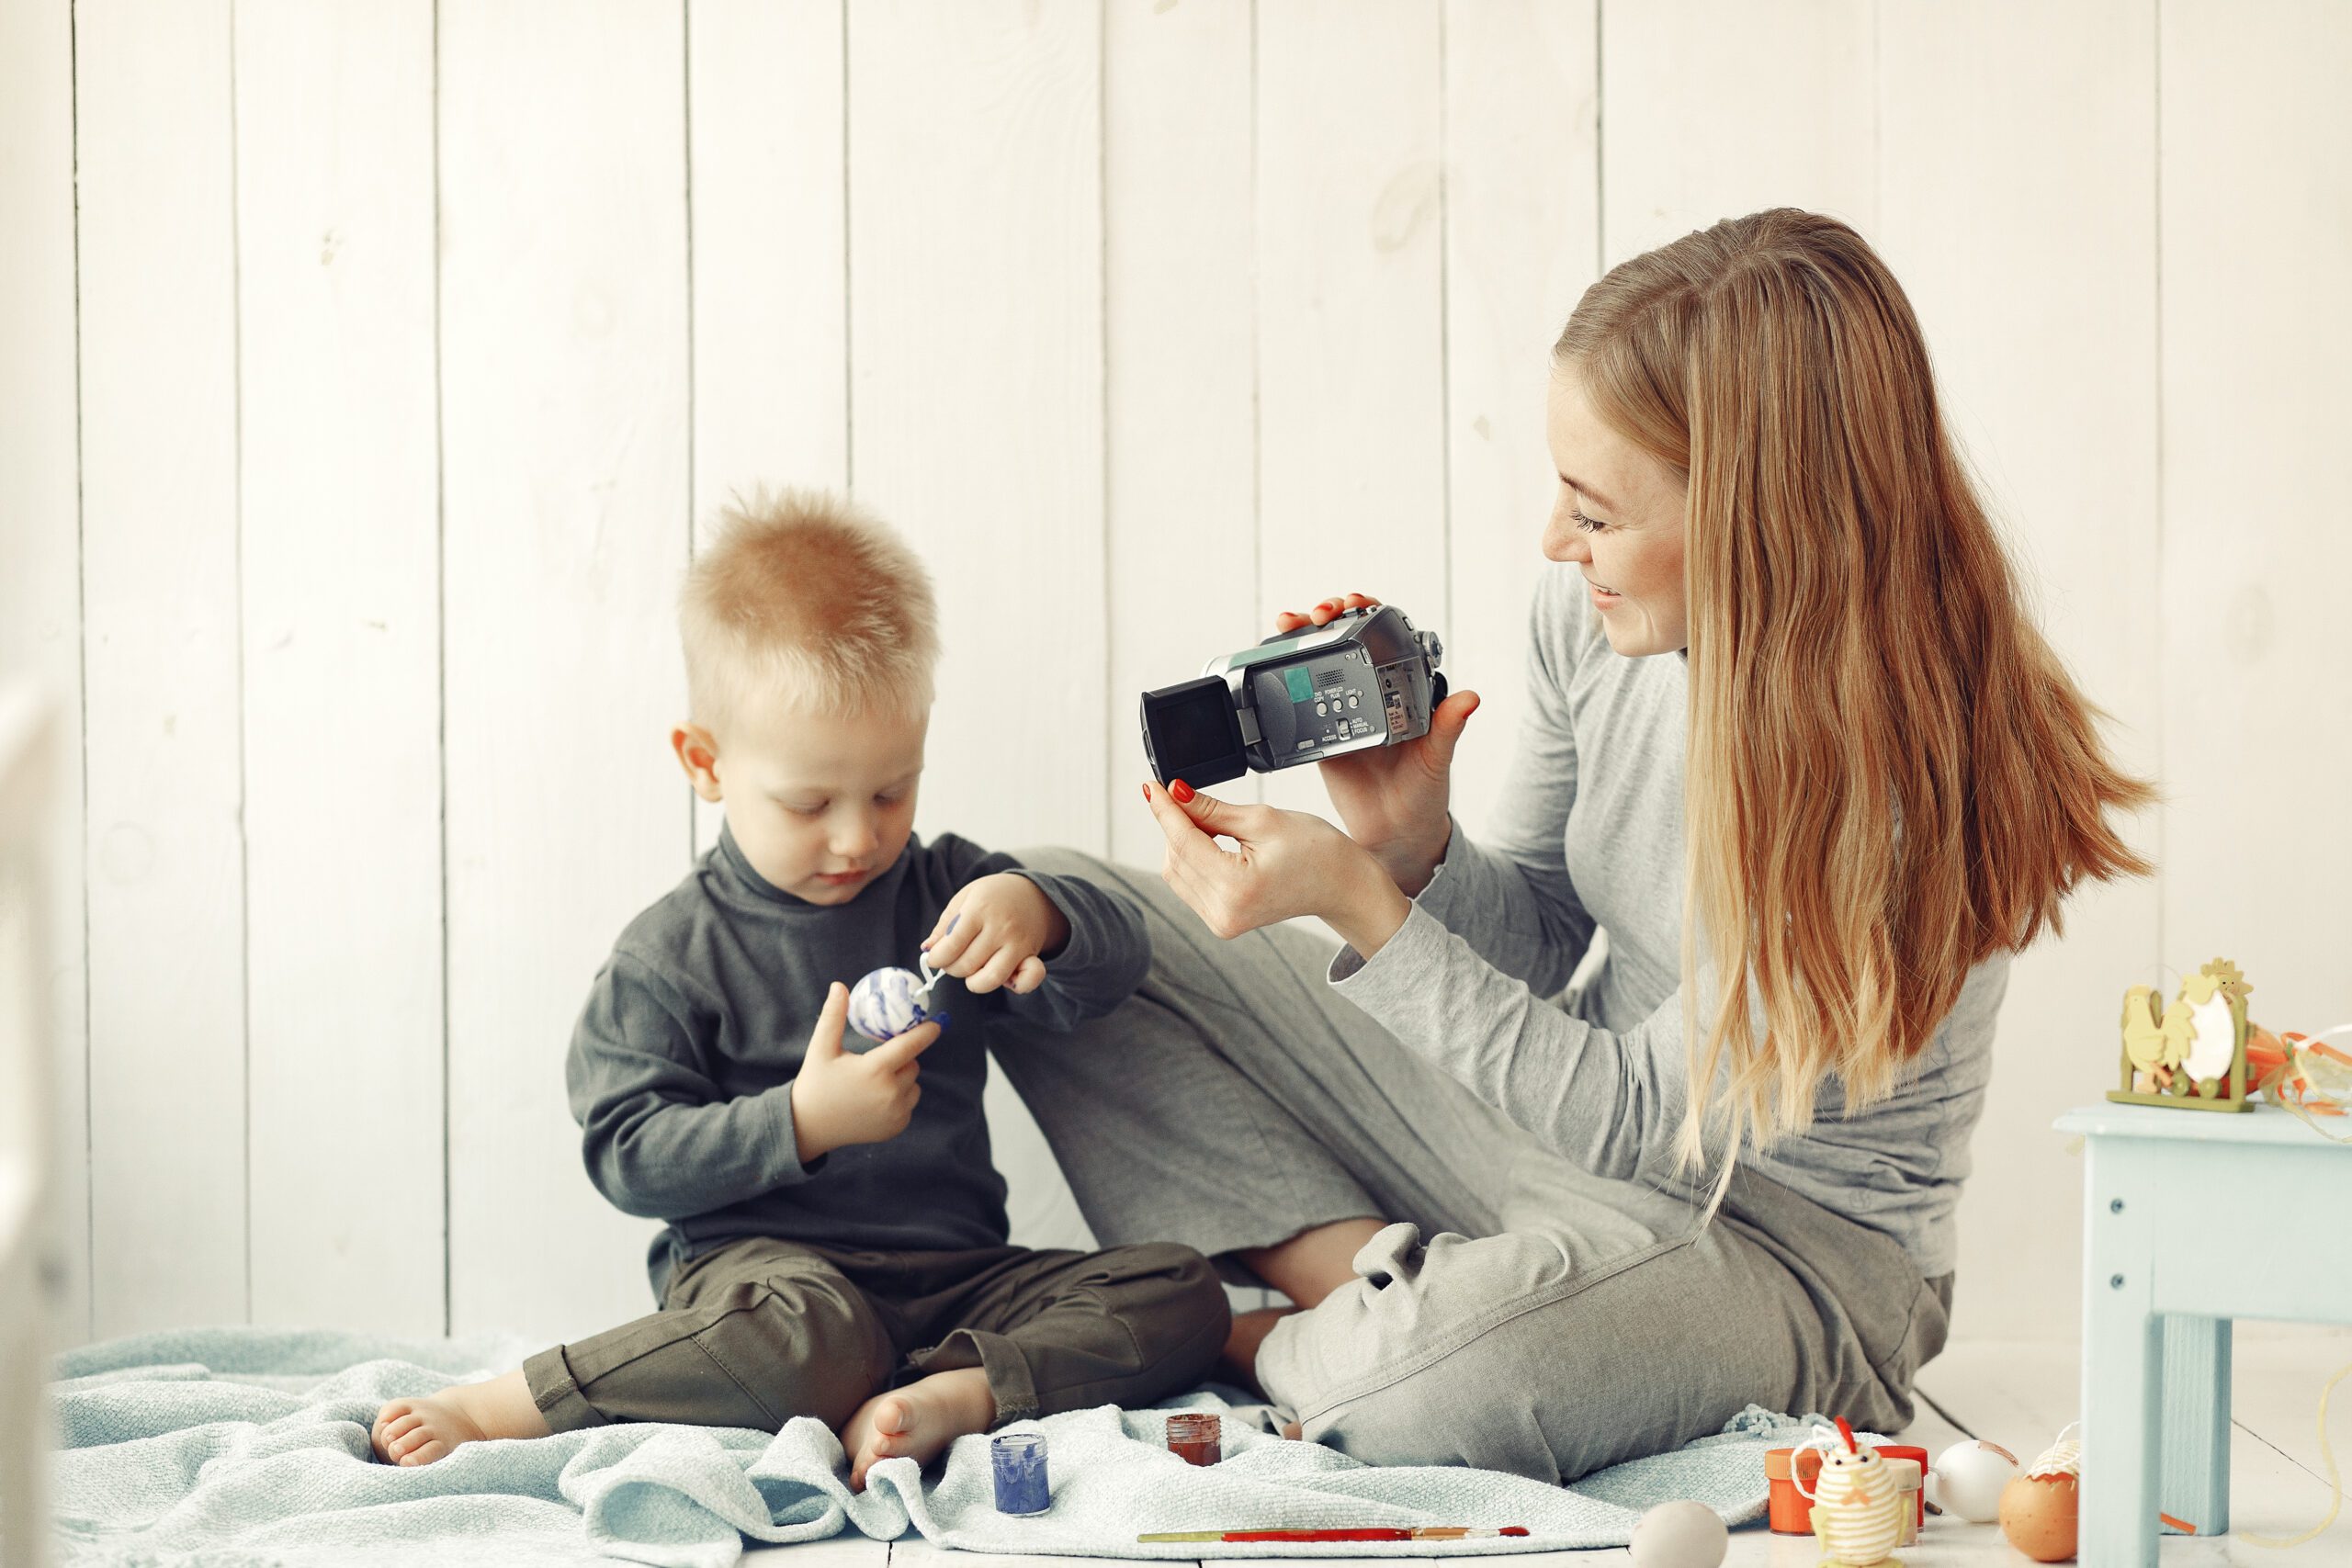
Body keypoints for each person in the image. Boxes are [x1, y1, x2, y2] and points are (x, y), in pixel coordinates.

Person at [989, 209, 2154, 1483]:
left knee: (1412, 1394)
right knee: (1072, 924)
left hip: (1776, 1248)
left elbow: (1643, 1120)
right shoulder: (1597, 622)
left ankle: (1317, 1327)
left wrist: (1355, 900)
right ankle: (1362, 1279)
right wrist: (1409, 846)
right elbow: (1544, 941)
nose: (1555, 541)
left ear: (1754, 519)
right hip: (1553, 1138)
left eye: (1594, 512)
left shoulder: (1894, 788)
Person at [371, 491, 1227, 1485]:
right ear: (705, 763)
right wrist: (801, 1123)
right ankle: (508, 1403)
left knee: (1183, 1288)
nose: (858, 836)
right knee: (807, 1339)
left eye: (891, 790)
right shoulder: (670, 953)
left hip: (957, 1281)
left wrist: (1044, 911)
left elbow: (1119, 964)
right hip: (770, 1287)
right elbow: (627, 1154)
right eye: (809, 802)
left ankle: (955, 1392)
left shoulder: (950, 890)